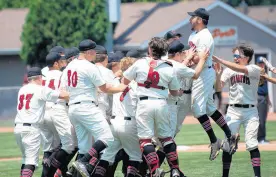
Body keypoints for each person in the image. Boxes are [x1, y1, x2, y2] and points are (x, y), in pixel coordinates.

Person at [120, 37, 185, 177]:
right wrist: (179, 92)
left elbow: (124, 80)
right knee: (166, 138)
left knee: (145, 140)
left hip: (144, 104)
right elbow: (174, 91)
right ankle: (175, 169)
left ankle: (155, 170)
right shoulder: (169, 67)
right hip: (162, 103)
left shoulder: (140, 63)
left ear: (150, 49)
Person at [65, 39, 126, 177]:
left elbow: (65, 89)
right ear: (88, 52)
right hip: (87, 106)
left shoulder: (70, 66)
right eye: (94, 51)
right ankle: (85, 161)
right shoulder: (89, 66)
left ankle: (75, 170)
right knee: (108, 138)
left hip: (73, 108)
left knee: (84, 147)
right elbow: (104, 88)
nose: (95, 54)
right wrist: (122, 87)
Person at [187, 7, 239, 160]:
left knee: (196, 109)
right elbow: (194, 56)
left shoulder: (205, 36)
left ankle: (214, 140)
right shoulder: (194, 34)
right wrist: (190, 56)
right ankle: (230, 135)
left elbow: (199, 58)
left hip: (203, 73)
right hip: (201, 72)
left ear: (200, 19)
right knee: (209, 108)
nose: (190, 19)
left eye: (193, 17)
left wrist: (189, 57)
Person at [213, 44, 262, 177]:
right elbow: (218, 87)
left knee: (252, 143)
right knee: (229, 145)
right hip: (233, 111)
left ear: (246, 58)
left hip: (250, 112)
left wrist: (221, 60)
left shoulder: (254, 69)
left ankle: (257, 175)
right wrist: (218, 75)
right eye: (234, 56)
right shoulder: (229, 71)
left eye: (237, 56)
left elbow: (240, 69)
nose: (234, 58)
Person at [14, 67, 68, 177]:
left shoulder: (22, 89)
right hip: (31, 129)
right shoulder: (40, 89)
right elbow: (62, 96)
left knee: (25, 160)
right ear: (39, 78)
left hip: (18, 128)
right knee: (31, 162)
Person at [256, 57, 270, 144]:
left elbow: (266, 89)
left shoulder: (264, 73)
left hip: (264, 97)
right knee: (260, 120)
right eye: (260, 63)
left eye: (262, 63)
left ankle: (261, 138)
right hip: (259, 97)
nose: (261, 64)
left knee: (263, 119)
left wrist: (269, 100)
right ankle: (261, 138)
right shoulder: (257, 73)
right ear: (257, 64)